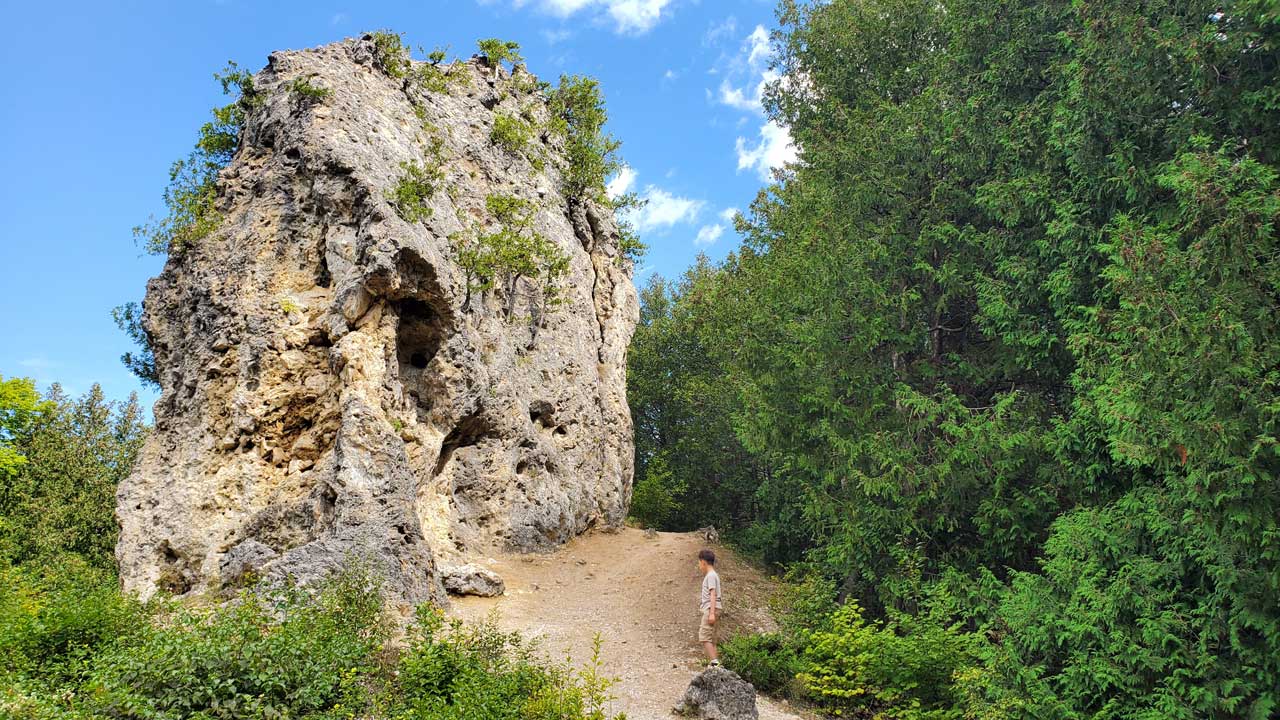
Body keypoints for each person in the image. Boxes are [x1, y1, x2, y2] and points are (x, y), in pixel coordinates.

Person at [697, 548, 723, 665]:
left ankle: (714, 663)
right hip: (715, 608)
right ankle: (715, 664)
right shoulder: (714, 575)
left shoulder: (711, 575)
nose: (699, 566)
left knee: (704, 637)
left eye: (699, 563)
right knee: (712, 640)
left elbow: (713, 593)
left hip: (710, 609)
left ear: (703, 562)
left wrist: (711, 613)